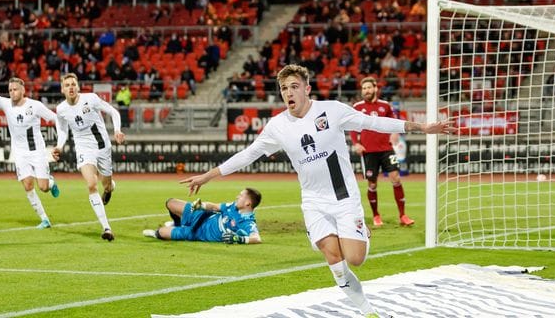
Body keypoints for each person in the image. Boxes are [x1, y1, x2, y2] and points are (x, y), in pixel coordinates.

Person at [180, 64, 454, 318]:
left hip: (344, 197)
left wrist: (421, 127)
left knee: (355, 259)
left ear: (307, 88)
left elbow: (374, 123)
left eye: (294, 86)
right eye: (284, 88)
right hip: (313, 202)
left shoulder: (332, 110)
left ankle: (361, 233)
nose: (289, 92)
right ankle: (368, 311)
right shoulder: (277, 126)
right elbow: (247, 155)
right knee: (334, 258)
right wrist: (208, 176)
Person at [0, 55, 60, 229]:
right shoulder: (5, 104)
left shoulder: (35, 106)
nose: (12, 93)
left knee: (42, 187)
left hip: (37, 151)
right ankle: (44, 219)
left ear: (23, 90)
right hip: (20, 153)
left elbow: (55, 119)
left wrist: (61, 140)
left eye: (15, 90)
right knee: (27, 185)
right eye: (10, 90)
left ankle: (51, 182)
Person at [52, 73, 125, 242]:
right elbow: (62, 130)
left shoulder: (91, 99)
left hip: (102, 146)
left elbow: (113, 112)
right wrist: (59, 146)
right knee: (91, 184)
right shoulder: (61, 109)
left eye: (73, 84)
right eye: (67, 85)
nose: (71, 87)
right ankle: (107, 228)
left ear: (78, 87)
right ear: (62, 89)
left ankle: (109, 187)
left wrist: (117, 130)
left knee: (106, 184)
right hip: (84, 148)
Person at [351, 77, 414, 228]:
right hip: (368, 151)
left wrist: (395, 134)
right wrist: (356, 143)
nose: (366, 90)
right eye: (364, 88)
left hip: (386, 149)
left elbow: (394, 123)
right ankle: (376, 215)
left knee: (396, 178)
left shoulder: (385, 106)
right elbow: (353, 127)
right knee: (372, 185)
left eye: (368, 87)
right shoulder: (357, 107)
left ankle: (403, 215)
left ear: (375, 88)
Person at [142, 187, 262, 244]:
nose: (237, 197)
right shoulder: (233, 206)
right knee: (170, 203)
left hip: (197, 233)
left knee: (160, 233)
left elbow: (256, 238)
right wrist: (202, 205)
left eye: (241, 196)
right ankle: (177, 223)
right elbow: (215, 206)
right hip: (201, 216)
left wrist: (239, 239)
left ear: (248, 203)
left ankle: (177, 228)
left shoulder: (247, 222)